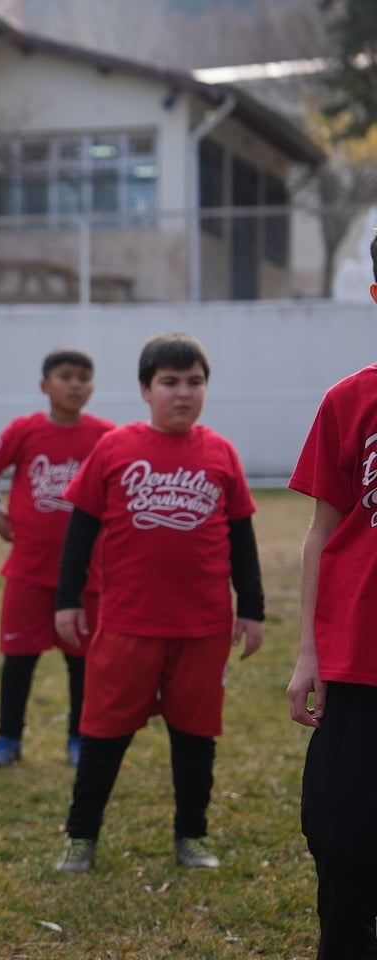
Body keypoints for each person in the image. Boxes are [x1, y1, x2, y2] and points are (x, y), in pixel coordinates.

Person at [52, 331, 265, 873]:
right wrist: (68, 598)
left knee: (196, 738)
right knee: (103, 734)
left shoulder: (220, 453)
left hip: (203, 627)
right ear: (146, 389)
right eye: (170, 382)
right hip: (128, 624)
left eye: (195, 382)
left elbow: (241, 535)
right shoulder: (116, 448)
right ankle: (81, 836)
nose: (184, 393)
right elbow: (80, 530)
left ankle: (192, 833)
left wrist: (253, 607)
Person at [286, 232, 377, 959]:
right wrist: (308, 652)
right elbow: (321, 535)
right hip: (358, 660)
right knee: (340, 837)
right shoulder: (350, 400)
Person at [0, 347, 113, 768]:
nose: (76, 385)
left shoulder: (105, 436)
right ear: (44, 385)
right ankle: (7, 739)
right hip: (29, 570)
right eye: (66, 376)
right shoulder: (25, 430)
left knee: (81, 662)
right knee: (18, 660)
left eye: (84, 377)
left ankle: (78, 737)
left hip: (85, 575)